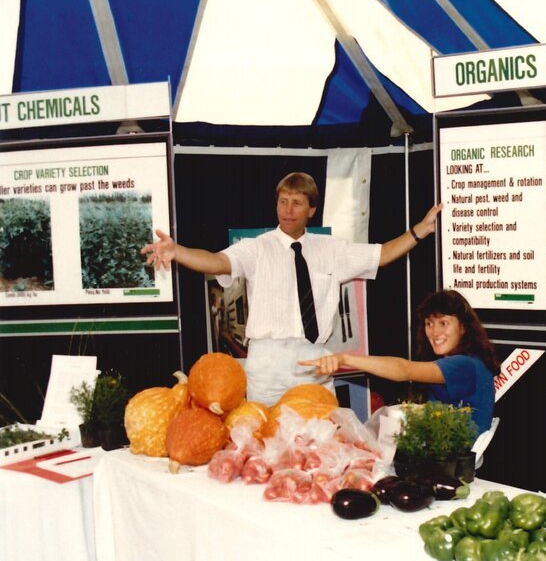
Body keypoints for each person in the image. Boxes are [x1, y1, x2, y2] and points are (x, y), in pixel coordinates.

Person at [142, 171, 442, 405]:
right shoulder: (256, 248)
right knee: (266, 446)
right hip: (266, 365)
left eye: (297, 202)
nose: (287, 210)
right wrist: (177, 251)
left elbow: (382, 254)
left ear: (311, 209)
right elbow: (215, 261)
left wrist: (421, 230)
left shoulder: (331, 249)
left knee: (318, 444)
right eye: (282, 201)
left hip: (314, 360)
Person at [299, 289, 499, 434]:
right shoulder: (459, 361)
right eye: (429, 324)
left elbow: (404, 370)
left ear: (463, 327)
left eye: (443, 323)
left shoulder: (464, 365)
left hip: (455, 460)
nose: (435, 332)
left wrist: (344, 358)